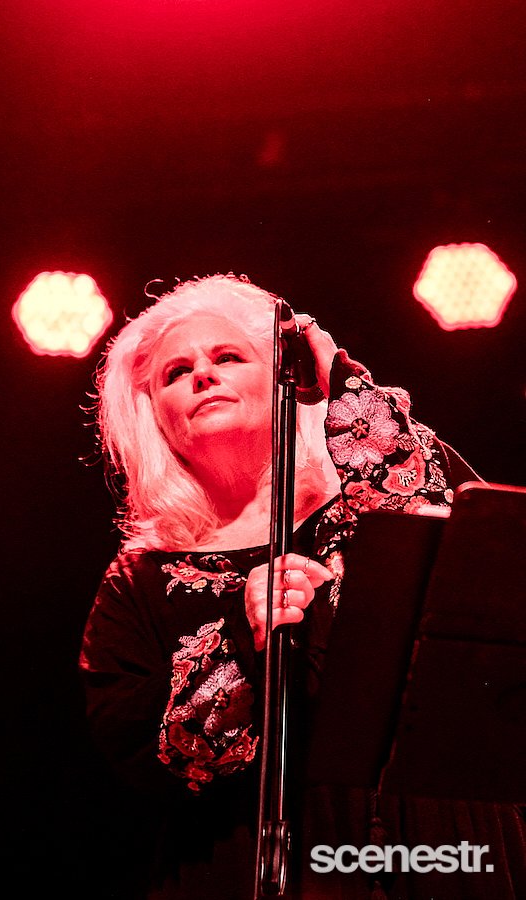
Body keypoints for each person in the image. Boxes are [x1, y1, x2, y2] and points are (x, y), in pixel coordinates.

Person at [79, 273, 525, 899]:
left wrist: (340, 380)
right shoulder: (139, 579)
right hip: (260, 855)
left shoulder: (371, 485)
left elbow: (472, 564)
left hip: (439, 844)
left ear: (283, 380)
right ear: (155, 416)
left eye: (228, 357)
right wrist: (243, 643)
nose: (203, 374)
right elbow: (141, 757)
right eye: (177, 372)